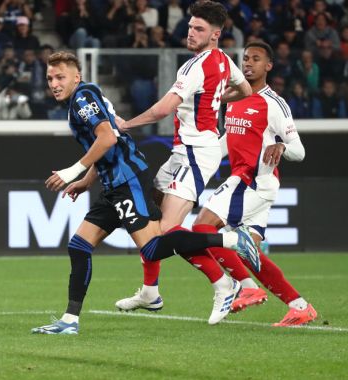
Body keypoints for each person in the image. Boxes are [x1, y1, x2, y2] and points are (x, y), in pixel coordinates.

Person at [30, 52, 259, 335]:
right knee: (79, 246)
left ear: (76, 77)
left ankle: (232, 239)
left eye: (60, 77)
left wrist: (73, 171)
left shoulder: (82, 98)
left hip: (127, 180)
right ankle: (70, 320)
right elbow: (109, 139)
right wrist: (87, 181)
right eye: (50, 78)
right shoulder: (84, 97)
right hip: (113, 182)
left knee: (152, 247)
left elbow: (108, 137)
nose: (54, 83)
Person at [115, 1, 253, 313]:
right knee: (149, 223)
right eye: (190, 27)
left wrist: (127, 124)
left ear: (215, 34)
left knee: (163, 233)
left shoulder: (194, 67)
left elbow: (162, 109)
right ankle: (150, 292)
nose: (190, 33)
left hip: (195, 155)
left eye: (199, 29)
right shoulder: (224, 61)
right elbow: (244, 89)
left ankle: (224, 281)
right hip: (184, 152)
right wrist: (216, 99)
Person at [193, 41, 316, 327]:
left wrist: (282, 148)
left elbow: (300, 151)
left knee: (202, 227)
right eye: (246, 58)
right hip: (249, 181)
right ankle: (300, 307)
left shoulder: (273, 103)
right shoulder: (235, 98)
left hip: (253, 181)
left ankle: (247, 287)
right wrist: (200, 161)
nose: (248, 63)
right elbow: (228, 140)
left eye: (256, 59)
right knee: (249, 254)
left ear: (268, 66)